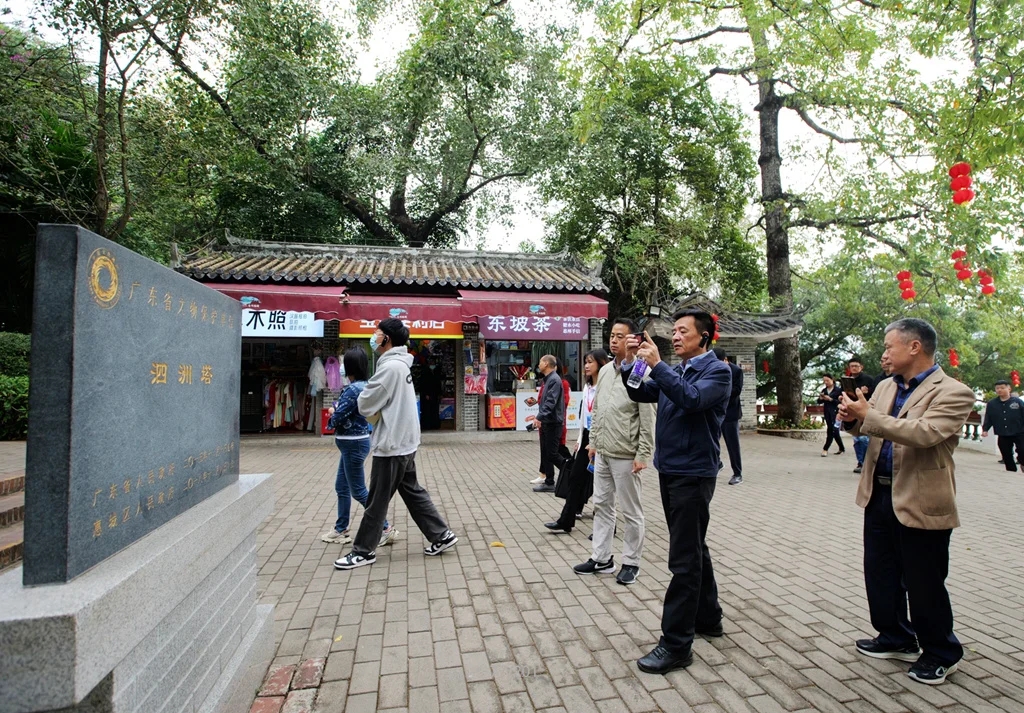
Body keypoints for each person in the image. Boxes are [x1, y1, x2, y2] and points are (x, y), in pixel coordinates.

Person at [839, 318, 975, 685]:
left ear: (915, 347)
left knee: (924, 581)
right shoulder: (885, 386)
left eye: (889, 346)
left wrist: (869, 417)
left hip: (921, 498)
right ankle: (896, 636)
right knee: (880, 573)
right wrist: (852, 420)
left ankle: (942, 652)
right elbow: (869, 427)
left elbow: (924, 433)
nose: (884, 354)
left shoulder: (954, 392)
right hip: (878, 494)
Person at [621, 309, 731, 674]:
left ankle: (677, 644)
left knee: (683, 559)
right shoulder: (678, 370)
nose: (676, 336)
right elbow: (640, 391)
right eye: (674, 331)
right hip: (671, 470)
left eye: (683, 331)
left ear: (704, 337)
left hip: (693, 474)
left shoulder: (717, 372)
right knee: (694, 547)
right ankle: (708, 618)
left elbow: (691, 399)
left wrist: (657, 365)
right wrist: (632, 362)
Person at [334, 318, 458, 570]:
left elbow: (365, 404)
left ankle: (363, 551)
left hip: (392, 443)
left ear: (387, 339)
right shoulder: (400, 365)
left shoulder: (389, 368)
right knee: (412, 491)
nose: (374, 337)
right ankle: (441, 534)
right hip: (404, 441)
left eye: (377, 333)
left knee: (377, 501)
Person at [571, 319, 656, 586]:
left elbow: (648, 415)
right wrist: (593, 442)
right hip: (604, 452)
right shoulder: (606, 370)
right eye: (612, 336)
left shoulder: (641, 370)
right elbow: (598, 409)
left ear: (633, 340)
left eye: (620, 336)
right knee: (602, 505)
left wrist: (643, 453)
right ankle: (602, 558)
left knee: (631, 511)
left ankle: (631, 562)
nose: (614, 340)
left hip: (626, 452)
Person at [321, 348, 397, 547]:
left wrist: (332, 412)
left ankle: (385, 528)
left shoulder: (353, 390)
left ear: (350, 367)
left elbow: (338, 417)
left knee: (358, 490)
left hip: (352, 444)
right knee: (342, 486)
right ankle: (340, 528)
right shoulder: (366, 386)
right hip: (355, 443)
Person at [544, 349, 610, 534]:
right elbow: (584, 416)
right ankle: (566, 520)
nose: (586, 366)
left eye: (590, 362)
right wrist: (581, 439)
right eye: (585, 362)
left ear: (601, 363)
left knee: (603, 482)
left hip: (603, 436)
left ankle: (607, 526)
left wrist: (595, 440)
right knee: (575, 477)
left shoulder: (607, 386)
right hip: (588, 436)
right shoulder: (588, 387)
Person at [531, 355, 566, 493]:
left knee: (552, 454)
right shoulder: (548, 380)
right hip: (547, 422)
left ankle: (571, 473)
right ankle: (549, 482)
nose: (539, 364)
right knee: (546, 453)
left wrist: (539, 417)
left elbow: (550, 402)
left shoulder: (554, 380)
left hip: (553, 423)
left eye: (540, 362)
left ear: (546, 363)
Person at [712, 348, 743, 484]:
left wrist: (722, 392)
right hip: (716, 413)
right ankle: (717, 463)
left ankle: (737, 474)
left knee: (733, 445)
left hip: (730, 414)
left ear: (726, 360)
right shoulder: (713, 370)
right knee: (711, 441)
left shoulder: (736, 371)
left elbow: (737, 390)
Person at [982, 380, 1024, 472]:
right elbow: (988, 417)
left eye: (1002, 388)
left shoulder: (1018, 402)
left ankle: (1022, 463)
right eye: (997, 388)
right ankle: (1011, 471)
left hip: (1019, 432)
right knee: (1006, 454)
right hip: (1003, 433)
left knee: (1022, 450)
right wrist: (985, 429)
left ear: (1009, 389)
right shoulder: (992, 404)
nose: (999, 390)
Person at [847, 356, 876, 474]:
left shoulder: (869, 379)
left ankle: (866, 462)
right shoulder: (847, 379)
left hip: (866, 411)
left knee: (863, 438)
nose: (854, 368)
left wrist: (867, 392)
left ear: (861, 367)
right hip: (852, 411)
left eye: (856, 366)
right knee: (857, 439)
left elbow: (875, 394)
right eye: (852, 366)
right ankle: (861, 462)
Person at [817, 374, 845, 457]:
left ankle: (825, 449)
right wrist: (821, 398)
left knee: (831, 430)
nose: (826, 382)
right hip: (827, 412)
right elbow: (819, 401)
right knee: (834, 431)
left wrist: (831, 399)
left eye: (827, 380)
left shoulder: (838, 390)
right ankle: (841, 448)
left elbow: (840, 402)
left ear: (832, 380)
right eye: (824, 381)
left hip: (836, 412)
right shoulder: (824, 390)